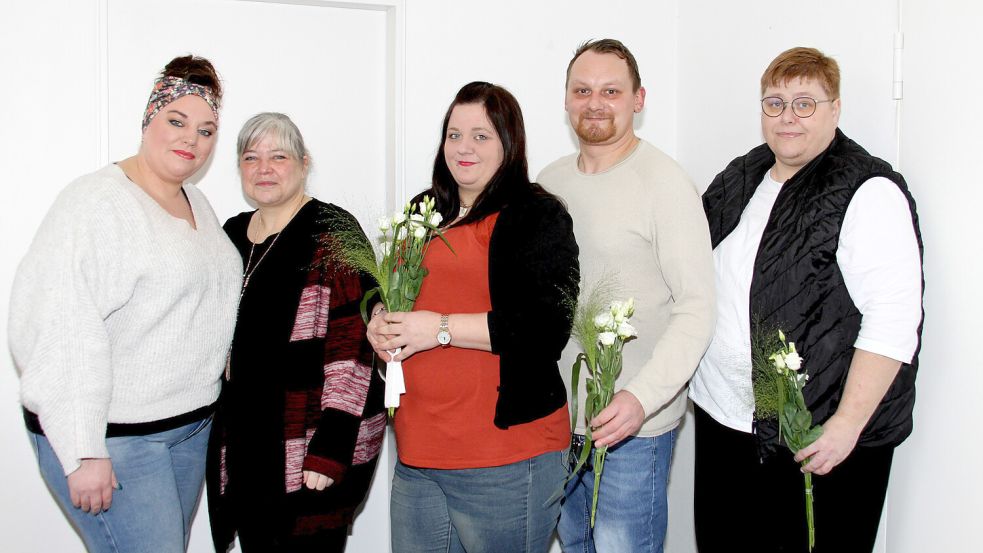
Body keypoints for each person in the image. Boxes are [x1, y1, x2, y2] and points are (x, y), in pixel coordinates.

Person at [690, 46, 924, 552]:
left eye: (805, 103)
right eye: (774, 103)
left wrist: (845, 426)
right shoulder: (743, 176)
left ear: (835, 108)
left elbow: (894, 319)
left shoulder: (867, 189)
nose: (787, 117)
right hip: (726, 423)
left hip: (815, 436)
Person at [9, 55, 241, 552]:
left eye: (206, 131)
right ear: (148, 117)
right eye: (176, 121)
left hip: (188, 428)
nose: (190, 141)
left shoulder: (194, 201)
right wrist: (82, 449)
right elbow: (59, 326)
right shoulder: (95, 204)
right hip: (115, 438)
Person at [366, 81, 579, 553]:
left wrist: (436, 328)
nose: (464, 148)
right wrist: (381, 318)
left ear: (509, 142)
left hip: (505, 457)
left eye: (481, 136)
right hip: (419, 450)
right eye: (454, 134)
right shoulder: (423, 210)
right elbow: (398, 290)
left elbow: (544, 329)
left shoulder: (536, 215)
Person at [537, 39, 716, 553]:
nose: (595, 102)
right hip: (561, 423)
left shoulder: (664, 183)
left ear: (638, 99)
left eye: (611, 91)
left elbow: (697, 307)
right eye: (582, 90)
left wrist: (640, 399)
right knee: (575, 545)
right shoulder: (549, 182)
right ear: (567, 100)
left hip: (633, 430)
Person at [206, 112, 385, 552]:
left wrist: (332, 446)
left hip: (309, 449)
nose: (263, 168)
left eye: (278, 156)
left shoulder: (333, 232)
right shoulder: (229, 234)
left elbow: (356, 350)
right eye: (251, 158)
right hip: (247, 446)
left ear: (304, 163)